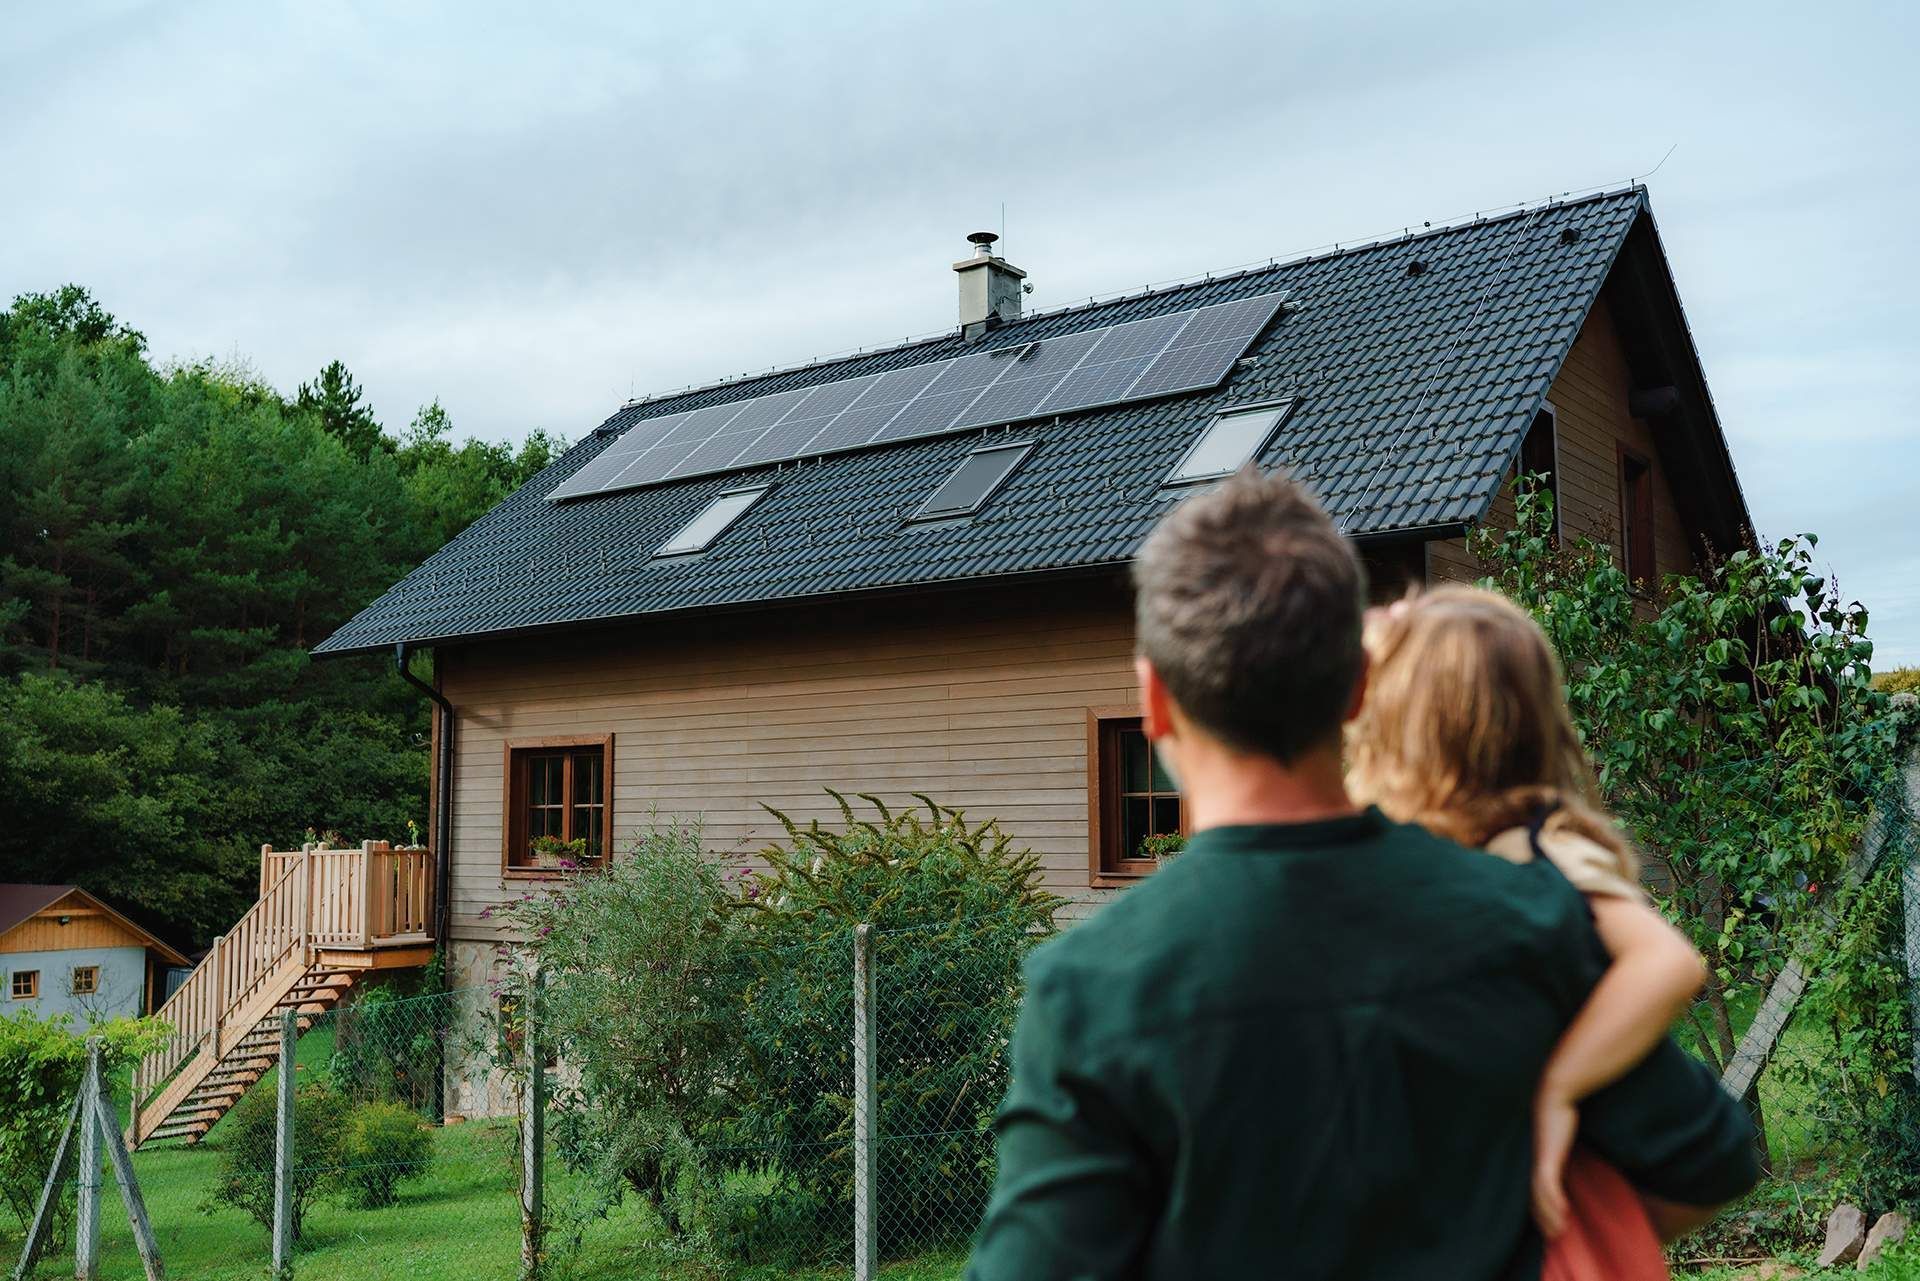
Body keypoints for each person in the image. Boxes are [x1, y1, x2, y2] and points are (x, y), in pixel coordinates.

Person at [966, 469, 1757, 1281]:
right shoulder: (1525, 913)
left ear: (1156, 702)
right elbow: (1708, 1163)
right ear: (1355, 687)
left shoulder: (1092, 989)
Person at [1349, 586, 1709, 1279]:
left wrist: (1556, 1086)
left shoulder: (1535, 846)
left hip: (1552, 1227)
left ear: (1413, 725)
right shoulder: (1449, 845)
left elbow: (1668, 962)